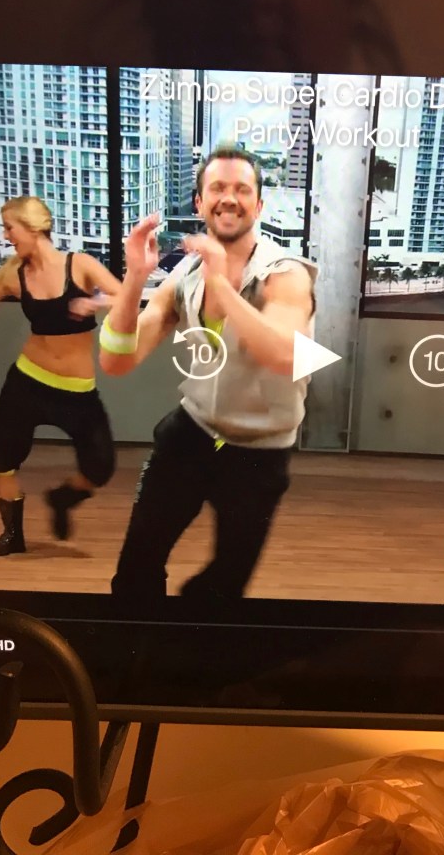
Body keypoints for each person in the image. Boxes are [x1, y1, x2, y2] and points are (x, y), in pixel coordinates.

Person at [101, 146, 318, 605]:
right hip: (192, 434)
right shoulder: (187, 275)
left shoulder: (286, 274)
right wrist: (135, 279)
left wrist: (223, 285)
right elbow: (117, 360)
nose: (229, 198)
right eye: (218, 188)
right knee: (135, 571)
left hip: (259, 454)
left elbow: (286, 356)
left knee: (221, 591)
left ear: (259, 204)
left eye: (242, 189)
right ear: (200, 202)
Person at [0, 196, 121, 556]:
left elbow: (124, 296)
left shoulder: (80, 265)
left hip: (77, 391)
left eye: (9, 228)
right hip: (27, 383)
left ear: (33, 227)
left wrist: (94, 302)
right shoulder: (13, 273)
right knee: (3, 460)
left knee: (101, 467)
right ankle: (13, 535)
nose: (5, 235)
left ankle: (62, 499)